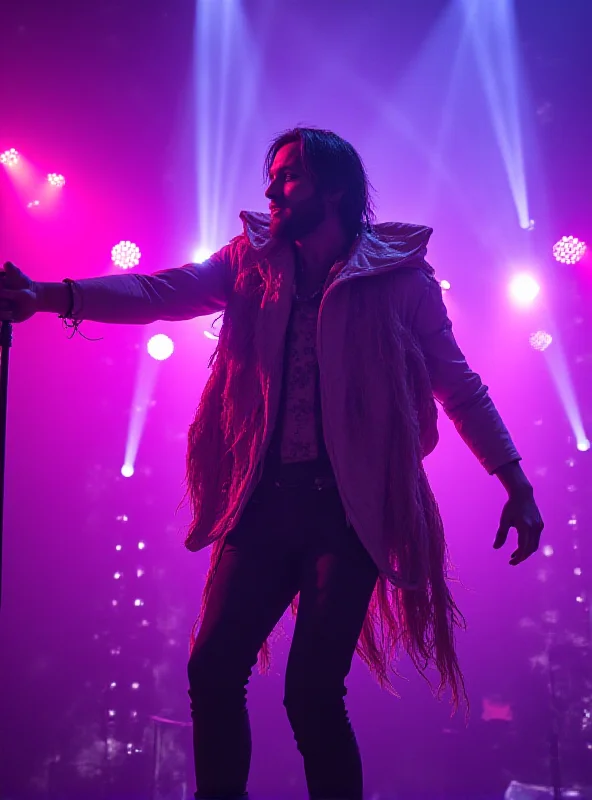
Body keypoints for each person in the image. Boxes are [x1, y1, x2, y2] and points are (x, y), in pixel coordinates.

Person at [1, 127, 543, 800]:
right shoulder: (250, 263)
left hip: (347, 513)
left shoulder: (399, 280)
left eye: (288, 176)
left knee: (312, 696)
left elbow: (459, 386)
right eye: (273, 174)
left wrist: (515, 482)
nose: (271, 188)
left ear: (335, 188)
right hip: (264, 502)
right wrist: (53, 295)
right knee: (212, 669)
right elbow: (158, 291)